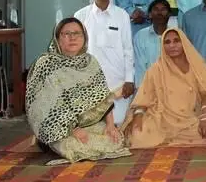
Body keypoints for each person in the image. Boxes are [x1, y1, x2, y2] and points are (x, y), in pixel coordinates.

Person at [25, 18, 130, 165]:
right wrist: (72, 130)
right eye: (66, 34)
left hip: (87, 123)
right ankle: (55, 145)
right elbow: (40, 108)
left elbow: (103, 98)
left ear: (84, 37)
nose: (72, 37)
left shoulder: (90, 62)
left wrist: (110, 126)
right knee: (74, 146)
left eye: (77, 33)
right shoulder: (46, 64)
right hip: (58, 129)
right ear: (57, 38)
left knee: (115, 140)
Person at [122, 29, 206, 148]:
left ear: (184, 42)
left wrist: (205, 117)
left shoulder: (198, 66)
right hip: (162, 120)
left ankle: (167, 140)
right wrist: (138, 116)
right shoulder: (156, 69)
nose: (172, 45)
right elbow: (144, 97)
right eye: (167, 42)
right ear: (162, 46)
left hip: (189, 119)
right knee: (137, 136)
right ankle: (167, 139)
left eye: (176, 41)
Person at [74, 0, 134, 125]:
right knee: (91, 124)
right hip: (89, 81)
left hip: (116, 81)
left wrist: (129, 79)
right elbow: (74, 50)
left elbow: (128, 49)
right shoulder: (81, 15)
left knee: (117, 122)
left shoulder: (122, 15)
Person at [133, 0, 171, 87]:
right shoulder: (140, 36)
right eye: (156, 9)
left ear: (169, 14)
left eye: (163, 9)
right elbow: (140, 67)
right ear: (149, 14)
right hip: (148, 86)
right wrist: (142, 90)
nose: (159, 13)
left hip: (171, 86)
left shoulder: (175, 35)